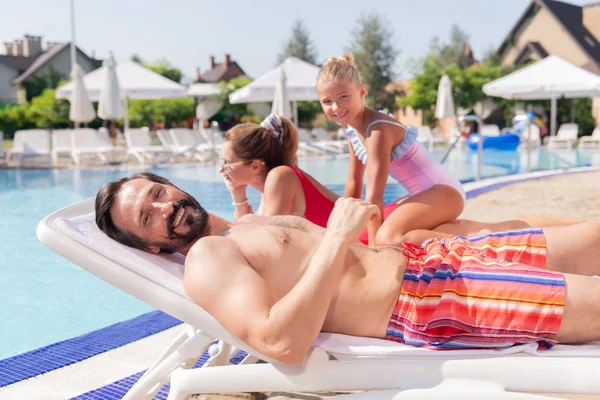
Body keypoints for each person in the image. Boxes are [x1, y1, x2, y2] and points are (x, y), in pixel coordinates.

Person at [95, 172, 600, 366]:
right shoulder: (207, 260)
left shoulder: (242, 227)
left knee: (592, 238)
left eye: (159, 193)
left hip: (433, 259)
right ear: (153, 248)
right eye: (148, 217)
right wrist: (336, 237)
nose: (165, 208)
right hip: (430, 301)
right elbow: (280, 344)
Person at [220, 113, 580, 244]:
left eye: (227, 163)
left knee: (487, 233)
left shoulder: (280, 177)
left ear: (255, 165)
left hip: (373, 232)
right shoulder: (279, 179)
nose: (222, 170)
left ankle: (582, 230)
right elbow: (256, 233)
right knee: (489, 229)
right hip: (374, 226)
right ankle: (580, 227)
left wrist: (238, 199)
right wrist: (238, 195)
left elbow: (262, 241)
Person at [316, 54, 465, 246]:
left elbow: (374, 196)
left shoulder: (377, 130)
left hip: (445, 193)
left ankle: (467, 243)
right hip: (423, 194)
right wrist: (343, 231)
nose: (336, 107)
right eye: (327, 101)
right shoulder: (353, 132)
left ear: (362, 92)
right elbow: (354, 183)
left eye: (343, 97)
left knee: (386, 239)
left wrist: (372, 250)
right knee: (377, 226)